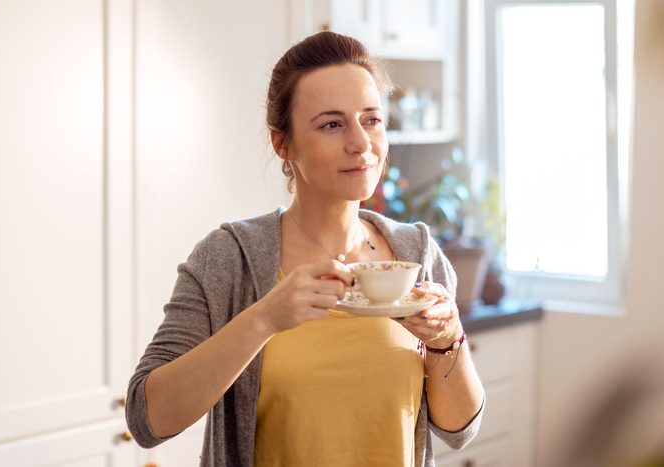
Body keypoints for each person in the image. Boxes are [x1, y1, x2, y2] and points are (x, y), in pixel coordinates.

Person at [126, 31, 485, 467]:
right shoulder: (230, 257)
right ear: (283, 144)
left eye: (371, 119)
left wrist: (450, 341)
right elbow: (146, 420)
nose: (361, 143)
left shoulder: (417, 252)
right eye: (332, 124)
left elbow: (459, 429)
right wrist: (263, 318)